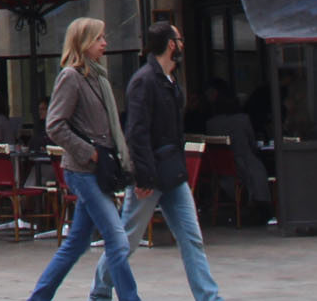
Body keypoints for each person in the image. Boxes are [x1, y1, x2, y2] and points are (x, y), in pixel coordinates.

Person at [89, 23, 223, 301]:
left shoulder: (170, 80)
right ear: (171, 44)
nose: (183, 45)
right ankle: (100, 291)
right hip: (150, 175)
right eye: (180, 40)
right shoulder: (145, 81)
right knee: (127, 240)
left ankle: (209, 297)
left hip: (173, 173)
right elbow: (136, 132)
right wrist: (141, 176)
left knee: (191, 238)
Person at [25, 17, 139, 301]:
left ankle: (38, 298)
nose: (105, 43)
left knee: (76, 244)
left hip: (99, 171)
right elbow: (54, 125)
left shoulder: (98, 78)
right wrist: (90, 152)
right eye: (99, 38)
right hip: (83, 171)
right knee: (117, 239)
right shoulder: (71, 77)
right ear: (84, 42)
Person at [202, 82, 271, 222]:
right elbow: (252, 142)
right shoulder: (243, 120)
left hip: (222, 168)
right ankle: (262, 206)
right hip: (245, 163)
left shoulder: (211, 124)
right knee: (260, 172)